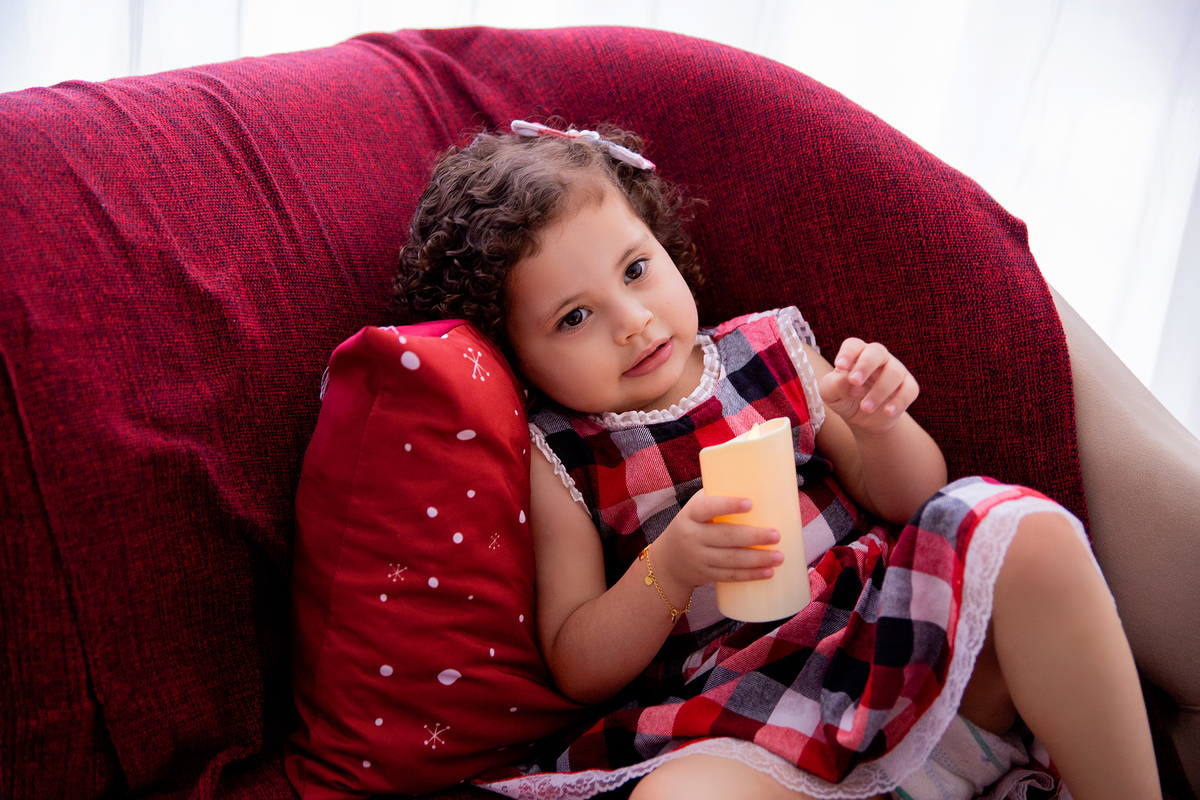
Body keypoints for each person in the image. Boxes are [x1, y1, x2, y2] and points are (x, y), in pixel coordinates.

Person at [392, 120, 1160, 800]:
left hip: (888, 650)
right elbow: (576, 662)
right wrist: (672, 568)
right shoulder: (560, 450)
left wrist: (881, 424)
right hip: (741, 721)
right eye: (574, 317)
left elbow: (911, 495)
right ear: (514, 352)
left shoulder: (768, 349)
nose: (632, 322)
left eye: (635, 270)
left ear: (664, 241)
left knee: (1017, 528)